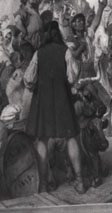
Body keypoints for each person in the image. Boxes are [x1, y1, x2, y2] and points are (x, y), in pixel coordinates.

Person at [24, 20, 86, 193]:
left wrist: (37, 85)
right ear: (58, 34)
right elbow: (72, 78)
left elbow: (28, 79)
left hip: (42, 102)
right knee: (71, 137)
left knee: (42, 139)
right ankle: (80, 182)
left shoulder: (38, 53)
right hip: (62, 100)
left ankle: (44, 184)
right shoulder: (65, 51)